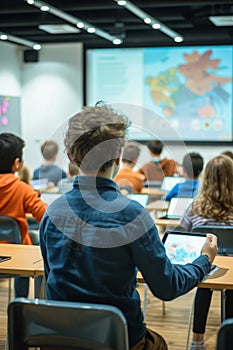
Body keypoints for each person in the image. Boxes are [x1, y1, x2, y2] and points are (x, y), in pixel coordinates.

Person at [39, 105, 217, 350]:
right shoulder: (132, 215)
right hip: (118, 339)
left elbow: (52, 280)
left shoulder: (52, 213)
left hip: (59, 340)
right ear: (120, 156)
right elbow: (167, 287)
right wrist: (204, 261)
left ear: (70, 156)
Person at [181, 154, 233, 350]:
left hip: (205, 265)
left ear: (207, 177)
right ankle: (228, 340)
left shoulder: (196, 206)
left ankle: (197, 341)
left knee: (203, 286)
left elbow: (184, 231)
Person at [0, 132, 46, 297]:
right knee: (36, 241)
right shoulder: (22, 189)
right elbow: (45, 217)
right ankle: (25, 300)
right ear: (17, 163)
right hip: (17, 254)